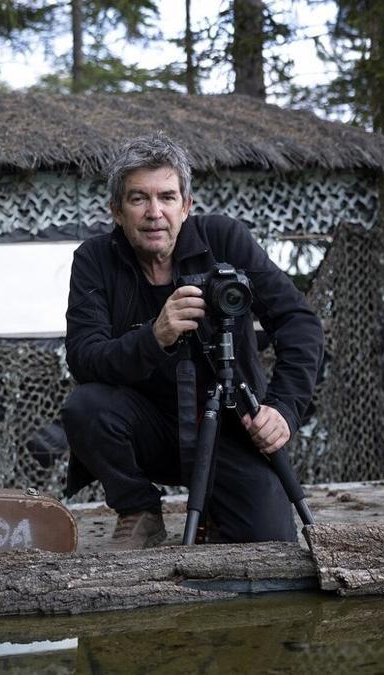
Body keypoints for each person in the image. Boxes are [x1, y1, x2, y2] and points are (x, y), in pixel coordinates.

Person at [61, 133, 324, 549]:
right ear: (116, 211)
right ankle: (139, 509)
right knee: (86, 406)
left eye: (167, 197)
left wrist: (284, 409)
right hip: (146, 429)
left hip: (229, 426)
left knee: (268, 541)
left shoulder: (224, 241)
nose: (154, 213)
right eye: (138, 199)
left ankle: (220, 512)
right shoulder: (95, 259)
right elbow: (83, 357)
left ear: (187, 206)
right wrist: (155, 336)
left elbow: (298, 323)